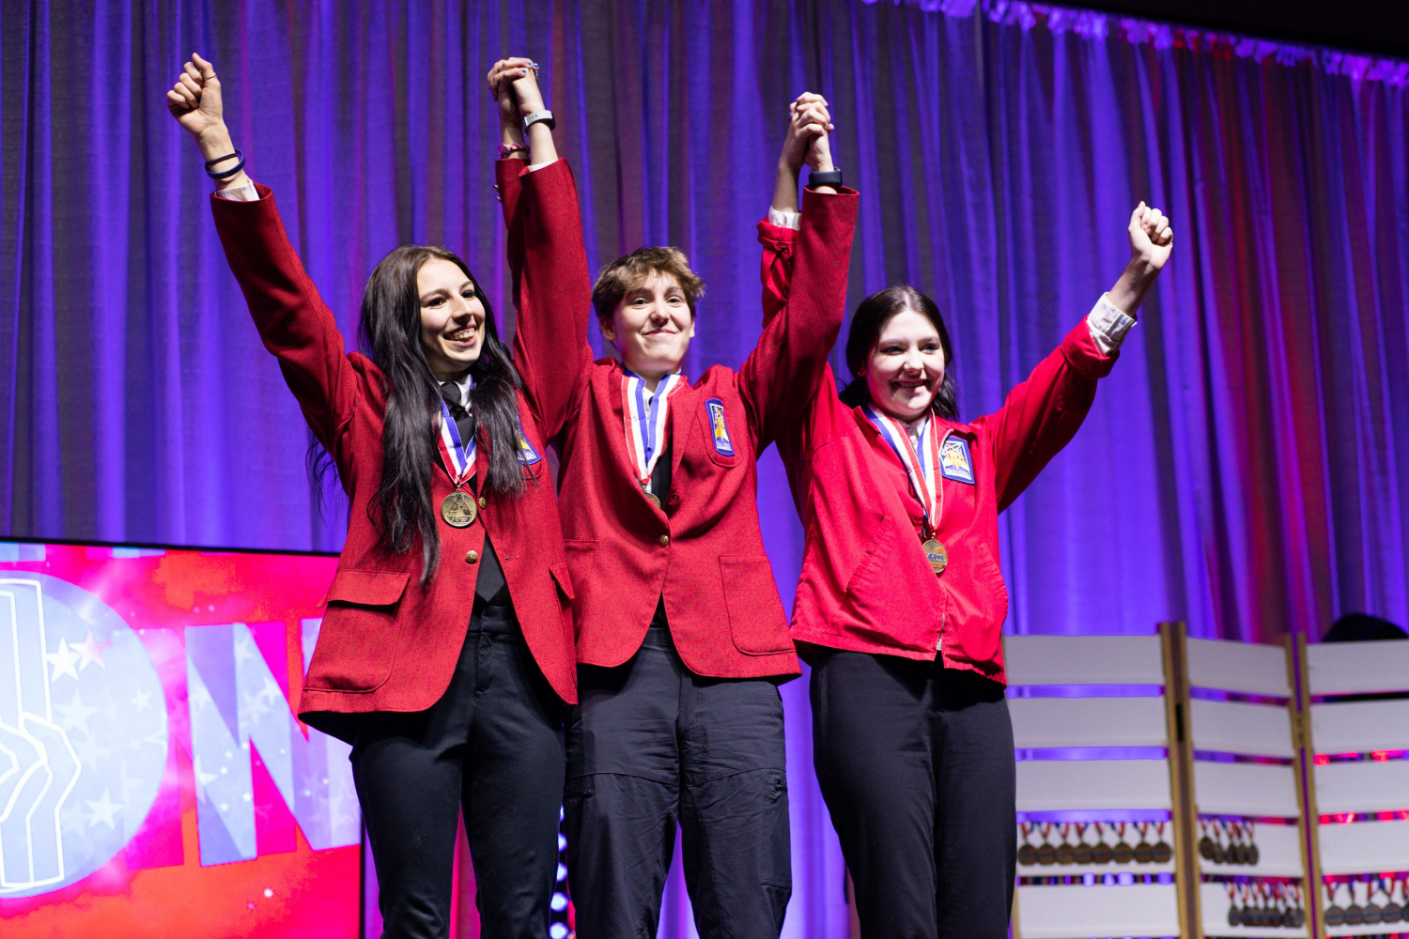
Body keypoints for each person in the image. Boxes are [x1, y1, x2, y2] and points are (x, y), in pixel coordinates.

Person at [166, 54, 576, 939]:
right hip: (404, 679)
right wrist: (223, 156)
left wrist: (530, 137)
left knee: (520, 912)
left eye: (470, 293)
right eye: (439, 301)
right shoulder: (362, 404)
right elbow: (287, 312)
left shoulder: (530, 399)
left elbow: (553, 283)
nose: (466, 310)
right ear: (403, 318)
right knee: (416, 913)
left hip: (524, 676)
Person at [486, 57, 857, 938]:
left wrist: (819, 173)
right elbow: (544, 279)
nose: (659, 314)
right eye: (638, 302)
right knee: (614, 891)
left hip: (730, 666)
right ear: (608, 323)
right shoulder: (575, 395)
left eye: (674, 303)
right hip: (614, 667)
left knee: (746, 888)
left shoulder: (734, 396)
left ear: (693, 322)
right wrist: (528, 138)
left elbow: (808, 319)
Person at [759, 201, 1174, 937]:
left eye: (927, 347)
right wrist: (797, 187)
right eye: (891, 349)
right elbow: (792, 323)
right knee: (901, 908)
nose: (912, 364)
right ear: (860, 362)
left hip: (971, 688)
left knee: (980, 908)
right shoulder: (826, 432)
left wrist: (1136, 276)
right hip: (866, 677)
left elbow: (1065, 381)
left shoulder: (975, 449)